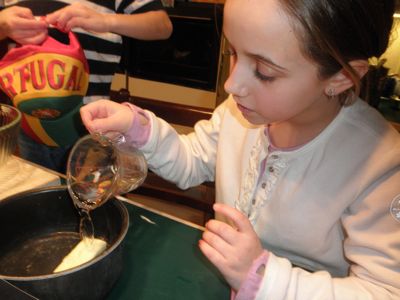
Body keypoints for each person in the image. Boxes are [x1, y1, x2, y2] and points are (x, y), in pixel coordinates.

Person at [80, 0, 400, 298]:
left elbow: (384, 289)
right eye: (233, 53)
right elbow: (192, 161)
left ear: (342, 77)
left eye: (264, 72)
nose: (231, 85)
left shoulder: (382, 166)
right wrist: (142, 130)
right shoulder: (239, 111)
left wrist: (261, 277)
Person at [0, 0, 172, 172]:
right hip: (29, 125)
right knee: (39, 193)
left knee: (90, 195)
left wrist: (106, 21)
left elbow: (162, 25)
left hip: (93, 124)